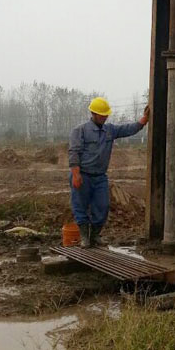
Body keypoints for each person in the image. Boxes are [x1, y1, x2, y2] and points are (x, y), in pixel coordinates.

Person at [69, 97, 149, 248]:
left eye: (106, 115)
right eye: (102, 115)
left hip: (100, 177)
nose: (104, 117)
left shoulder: (110, 130)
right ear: (93, 113)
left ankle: (95, 235)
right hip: (83, 175)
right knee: (80, 205)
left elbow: (127, 129)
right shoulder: (80, 130)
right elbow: (74, 152)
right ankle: (85, 237)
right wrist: (75, 174)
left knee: (103, 206)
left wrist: (143, 121)